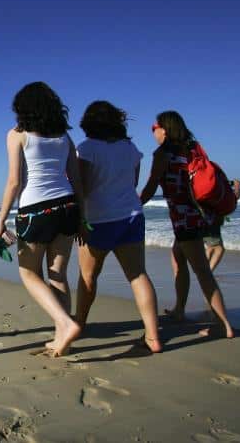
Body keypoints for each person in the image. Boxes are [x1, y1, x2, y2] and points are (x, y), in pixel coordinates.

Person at [0, 81, 83, 357]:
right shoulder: (64, 137)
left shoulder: (17, 135)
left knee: (29, 272)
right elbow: (76, 179)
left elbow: (14, 182)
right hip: (68, 207)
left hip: (36, 210)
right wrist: (83, 215)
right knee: (58, 274)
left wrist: (0, 222)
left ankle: (66, 324)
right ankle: (61, 336)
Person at [73, 101, 162, 352]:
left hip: (98, 220)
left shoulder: (86, 149)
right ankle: (153, 337)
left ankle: (79, 323)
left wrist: (78, 219)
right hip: (131, 215)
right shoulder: (130, 148)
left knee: (88, 277)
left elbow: (83, 188)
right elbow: (133, 182)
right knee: (138, 275)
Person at [140, 111, 234, 338]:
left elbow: (152, 186)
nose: (153, 131)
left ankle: (224, 326)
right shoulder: (192, 147)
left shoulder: (163, 154)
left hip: (185, 219)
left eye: (155, 127)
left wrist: (134, 205)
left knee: (202, 271)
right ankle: (179, 310)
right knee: (177, 258)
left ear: (164, 128)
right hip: (200, 214)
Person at [204, 179, 240, 271]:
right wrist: (237, 186)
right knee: (219, 248)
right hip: (212, 223)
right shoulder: (218, 192)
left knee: (210, 247)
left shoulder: (206, 190)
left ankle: (203, 271)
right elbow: (235, 197)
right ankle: (208, 273)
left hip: (204, 220)